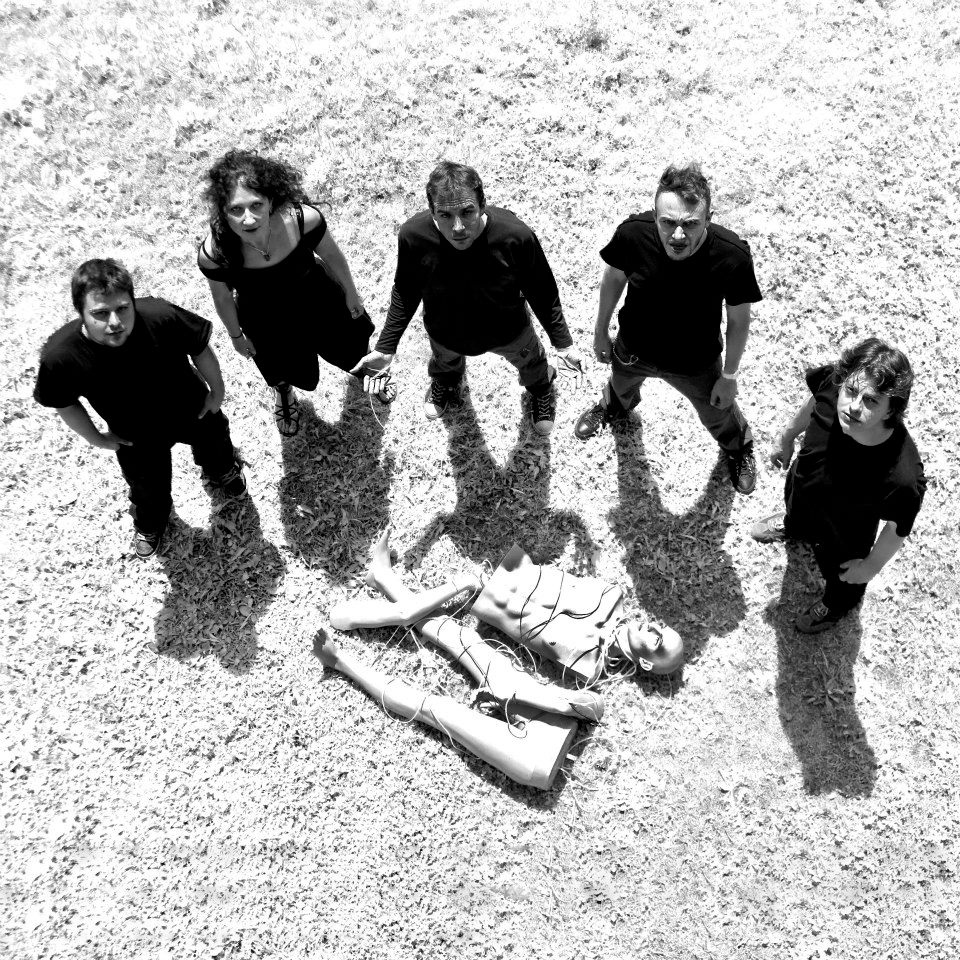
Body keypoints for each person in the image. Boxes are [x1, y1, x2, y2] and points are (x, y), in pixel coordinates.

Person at [350, 161, 582, 436]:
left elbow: (543, 291)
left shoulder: (515, 236)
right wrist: (386, 346)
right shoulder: (413, 236)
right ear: (432, 211)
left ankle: (541, 389)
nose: (458, 227)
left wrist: (563, 344)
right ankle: (446, 382)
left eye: (467, 212)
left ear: (482, 205)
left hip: (509, 330)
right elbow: (406, 289)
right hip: (445, 331)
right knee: (444, 364)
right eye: (445, 215)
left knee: (532, 365)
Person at [34, 259, 246, 559]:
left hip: (192, 407)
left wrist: (217, 391)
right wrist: (97, 438)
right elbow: (65, 403)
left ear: (133, 302)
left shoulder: (160, 315)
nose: (115, 322)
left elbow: (199, 348)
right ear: (81, 312)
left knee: (216, 444)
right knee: (147, 488)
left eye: (122, 308)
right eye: (100, 313)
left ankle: (221, 470)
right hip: (134, 434)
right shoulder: (61, 357)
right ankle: (151, 523)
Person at [573, 162, 762, 494]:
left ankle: (738, 446)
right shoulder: (633, 234)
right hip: (633, 348)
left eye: (690, 224)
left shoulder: (732, 256)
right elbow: (614, 277)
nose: (677, 235)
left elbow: (738, 320)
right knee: (620, 386)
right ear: (655, 213)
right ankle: (613, 407)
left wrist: (729, 376)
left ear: (709, 218)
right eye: (668, 222)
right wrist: (600, 331)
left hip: (696, 361)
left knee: (718, 412)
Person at [198, 149, 393, 438]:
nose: (248, 219)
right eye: (235, 210)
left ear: (271, 201)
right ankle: (283, 390)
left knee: (349, 345)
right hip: (264, 317)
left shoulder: (303, 220)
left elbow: (332, 256)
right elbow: (223, 298)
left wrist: (352, 294)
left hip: (319, 299)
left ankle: (367, 369)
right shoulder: (216, 254)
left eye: (256, 205)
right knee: (280, 366)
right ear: (223, 211)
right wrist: (236, 336)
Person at [330, 530, 605, 722]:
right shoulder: (337, 616)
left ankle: (382, 577)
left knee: (451, 633)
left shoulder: (339, 614)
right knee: (448, 632)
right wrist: (462, 582)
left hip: (503, 677)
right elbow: (404, 614)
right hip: (504, 678)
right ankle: (382, 577)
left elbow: (405, 613)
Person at [750, 338, 926, 633]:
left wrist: (869, 567)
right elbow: (815, 400)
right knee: (796, 511)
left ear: (890, 410)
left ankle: (835, 606)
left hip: (844, 535)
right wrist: (787, 436)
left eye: (871, 401)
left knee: (844, 577)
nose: (854, 407)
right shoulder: (836, 383)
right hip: (804, 491)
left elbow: (897, 528)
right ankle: (794, 527)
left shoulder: (902, 477)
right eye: (852, 391)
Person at [313, 630, 578, 791]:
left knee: (433, 708)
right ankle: (341, 659)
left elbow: (591, 707)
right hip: (543, 740)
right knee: (463, 662)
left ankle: (339, 661)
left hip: (535, 756)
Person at [471, 544, 684, 683]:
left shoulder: (589, 667)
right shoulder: (611, 596)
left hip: (494, 605)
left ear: (645, 663)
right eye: (661, 626)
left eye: (656, 640)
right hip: (515, 571)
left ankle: (478, 585)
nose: (652, 626)